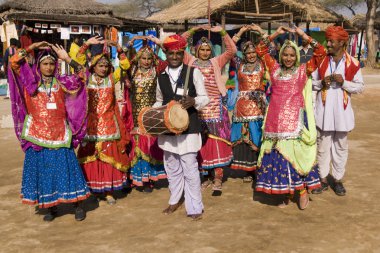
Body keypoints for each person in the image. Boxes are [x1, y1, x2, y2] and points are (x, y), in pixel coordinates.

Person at [8, 41, 89, 221]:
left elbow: (83, 73)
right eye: (45, 63)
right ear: (38, 65)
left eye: (52, 63)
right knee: (45, 172)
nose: (49, 67)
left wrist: (67, 58)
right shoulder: (30, 84)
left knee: (69, 170)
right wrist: (31, 47)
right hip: (37, 135)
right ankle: (51, 206)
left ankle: (78, 205)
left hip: (60, 133)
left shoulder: (63, 82)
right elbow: (14, 63)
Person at [252, 24, 324, 210]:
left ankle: (301, 191)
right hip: (274, 121)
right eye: (285, 54)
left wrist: (301, 34)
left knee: (295, 156)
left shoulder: (303, 70)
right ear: (281, 55)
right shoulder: (274, 68)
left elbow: (321, 51)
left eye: (292, 55)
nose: (289, 58)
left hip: (294, 122)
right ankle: (283, 191)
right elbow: (260, 49)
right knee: (278, 158)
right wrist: (275, 34)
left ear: (297, 56)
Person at [153, 34, 209, 220]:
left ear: (183, 53)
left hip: (189, 129)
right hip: (168, 130)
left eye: (178, 53)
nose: (175, 57)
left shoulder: (193, 72)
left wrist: (194, 101)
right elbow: (159, 101)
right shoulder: (160, 76)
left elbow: (204, 97)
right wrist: (153, 114)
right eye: (171, 54)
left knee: (190, 168)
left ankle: (194, 207)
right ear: (166, 54)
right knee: (171, 167)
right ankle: (175, 199)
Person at [75, 36, 131, 205]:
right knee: (90, 157)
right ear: (94, 66)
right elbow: (78, 60)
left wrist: (120, 50)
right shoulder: (85, 78)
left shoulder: (112, 79)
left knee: (108, 157)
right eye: (101, 65)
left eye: (106, 65)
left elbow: (125, 66)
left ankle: (108, 191)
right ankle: (92, 188)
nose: (104, 68)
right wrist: (86, 45)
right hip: (90, 125)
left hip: (108, 123)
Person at [181, 25, 237, 196]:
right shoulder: (189, 61)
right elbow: (177, 45)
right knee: (200, 143)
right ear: (196, 50)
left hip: (215, 106)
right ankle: (205, 176)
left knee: (217, 141)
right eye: (202, 50)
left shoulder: (216, 61)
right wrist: (193, 30)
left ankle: (218, 177)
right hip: (197, 106)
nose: (205, 53)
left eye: (207, 50)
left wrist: (222, 32)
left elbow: (232, 50)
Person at [311, 26, 364, 196]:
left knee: (340, 147)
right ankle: (323, 179)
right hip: (324, 112)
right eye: (328, 40)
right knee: (322, 146)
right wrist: (322, 83)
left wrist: (344, 83)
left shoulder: (353, 63)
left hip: (342, 114)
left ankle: (338, 180)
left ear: (341, 43)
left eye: (331, 41)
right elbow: (311, 83)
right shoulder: (320, 61)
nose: (328, 44)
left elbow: (360, 87)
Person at [126, 35, 168, 192]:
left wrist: (158, 44)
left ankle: (150, 178)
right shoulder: (133, 70)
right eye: (143, 58)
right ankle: (137, 178)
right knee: (136, 144)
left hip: (151, 114)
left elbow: (167, 61)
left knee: (151, 144)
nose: (146, 61)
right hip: (135, 114)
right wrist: (129, 45)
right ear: (138, 58)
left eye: (149, 58)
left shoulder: (157, 71)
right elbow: (125, 62)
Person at [228, 25, 267, 181]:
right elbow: (230, 49)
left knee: (258, 136)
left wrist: (260, 31)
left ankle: (259, 167)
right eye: (248, 52)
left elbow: (269, 48)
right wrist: (241, 32)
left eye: (253, 52)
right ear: (243, 54)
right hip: (242, 106)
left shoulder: (264, 63)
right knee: (244, 137)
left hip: (259, 106)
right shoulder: (239, 64)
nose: (251, 55)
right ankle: (247, 170)